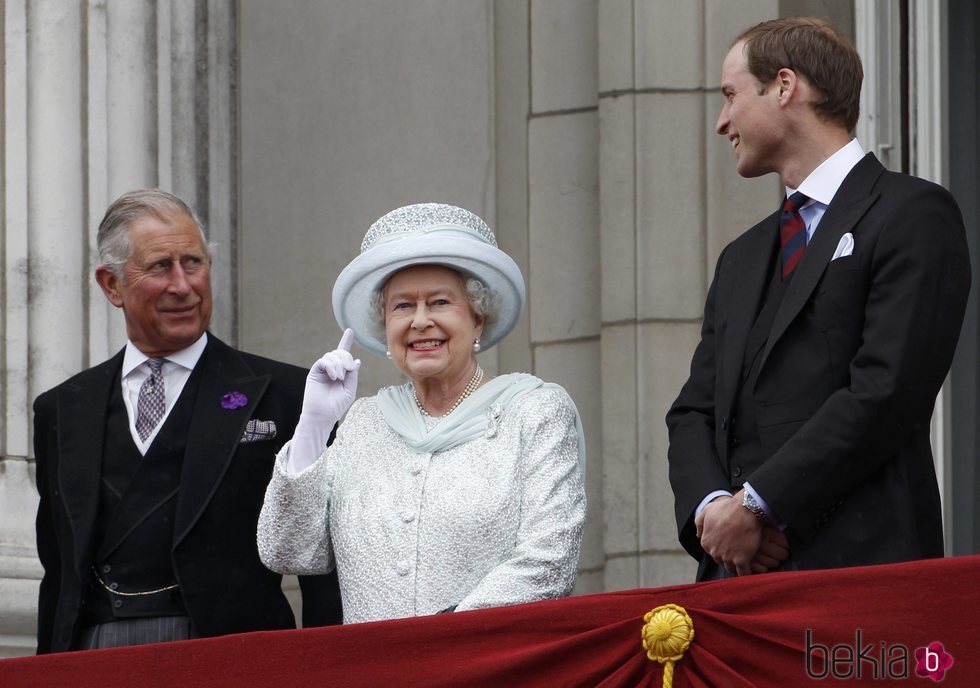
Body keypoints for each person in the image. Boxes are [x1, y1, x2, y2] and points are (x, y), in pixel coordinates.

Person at [666, 17, 971, 580]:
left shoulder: (912, 215)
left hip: (862, 575)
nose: (721, 122)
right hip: (737, 585)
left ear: (784, 86)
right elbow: (694, 410)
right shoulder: (741, 257)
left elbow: (886, 390)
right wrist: (717, 513)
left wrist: (760, 503)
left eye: (731, 95)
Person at [33, 189, 342, 653]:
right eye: (160, 266)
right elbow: (59, 576)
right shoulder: (62, 409)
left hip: (234, 657)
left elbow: (324, 565)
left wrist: (329, 670)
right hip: (96, 656)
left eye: (193, 263)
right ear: (111, 285)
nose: (183, 285)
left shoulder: (289, 395)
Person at [257, 202, 586, 623]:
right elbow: (288, 550)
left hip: (488, 665)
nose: (420, 321)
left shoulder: (534, 411)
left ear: (478, 318)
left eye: (440, 302)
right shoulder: (363, 423)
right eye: (402, 307)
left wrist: (435, 644)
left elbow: (549, 562)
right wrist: (314, 428)